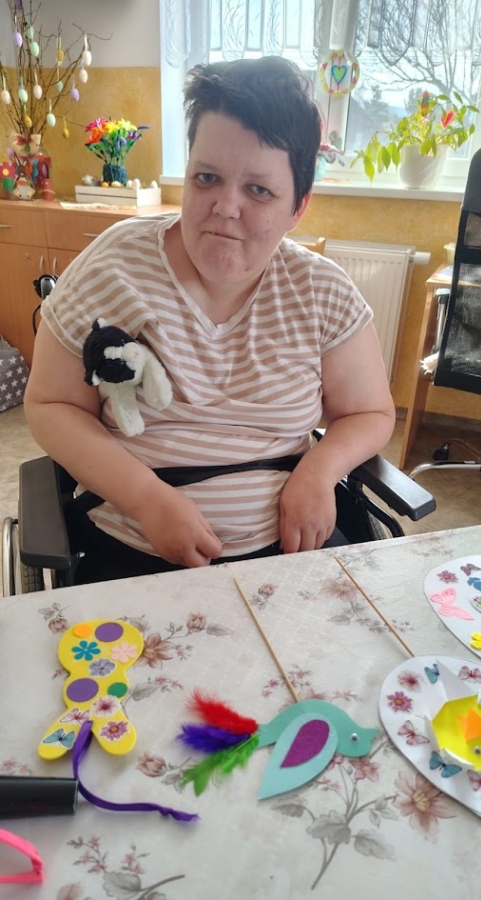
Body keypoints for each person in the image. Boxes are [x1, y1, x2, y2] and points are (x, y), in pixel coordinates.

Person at [24, 56, 395, 584]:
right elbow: (51, 405)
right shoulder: (112, 267)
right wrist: (147, 499)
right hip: (130, 556)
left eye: (259, 190)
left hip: (287, 559)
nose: (225, 207)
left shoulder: (322, 292)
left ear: (298, 207)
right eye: (207, 178)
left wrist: (320, 471)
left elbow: (370, 412)